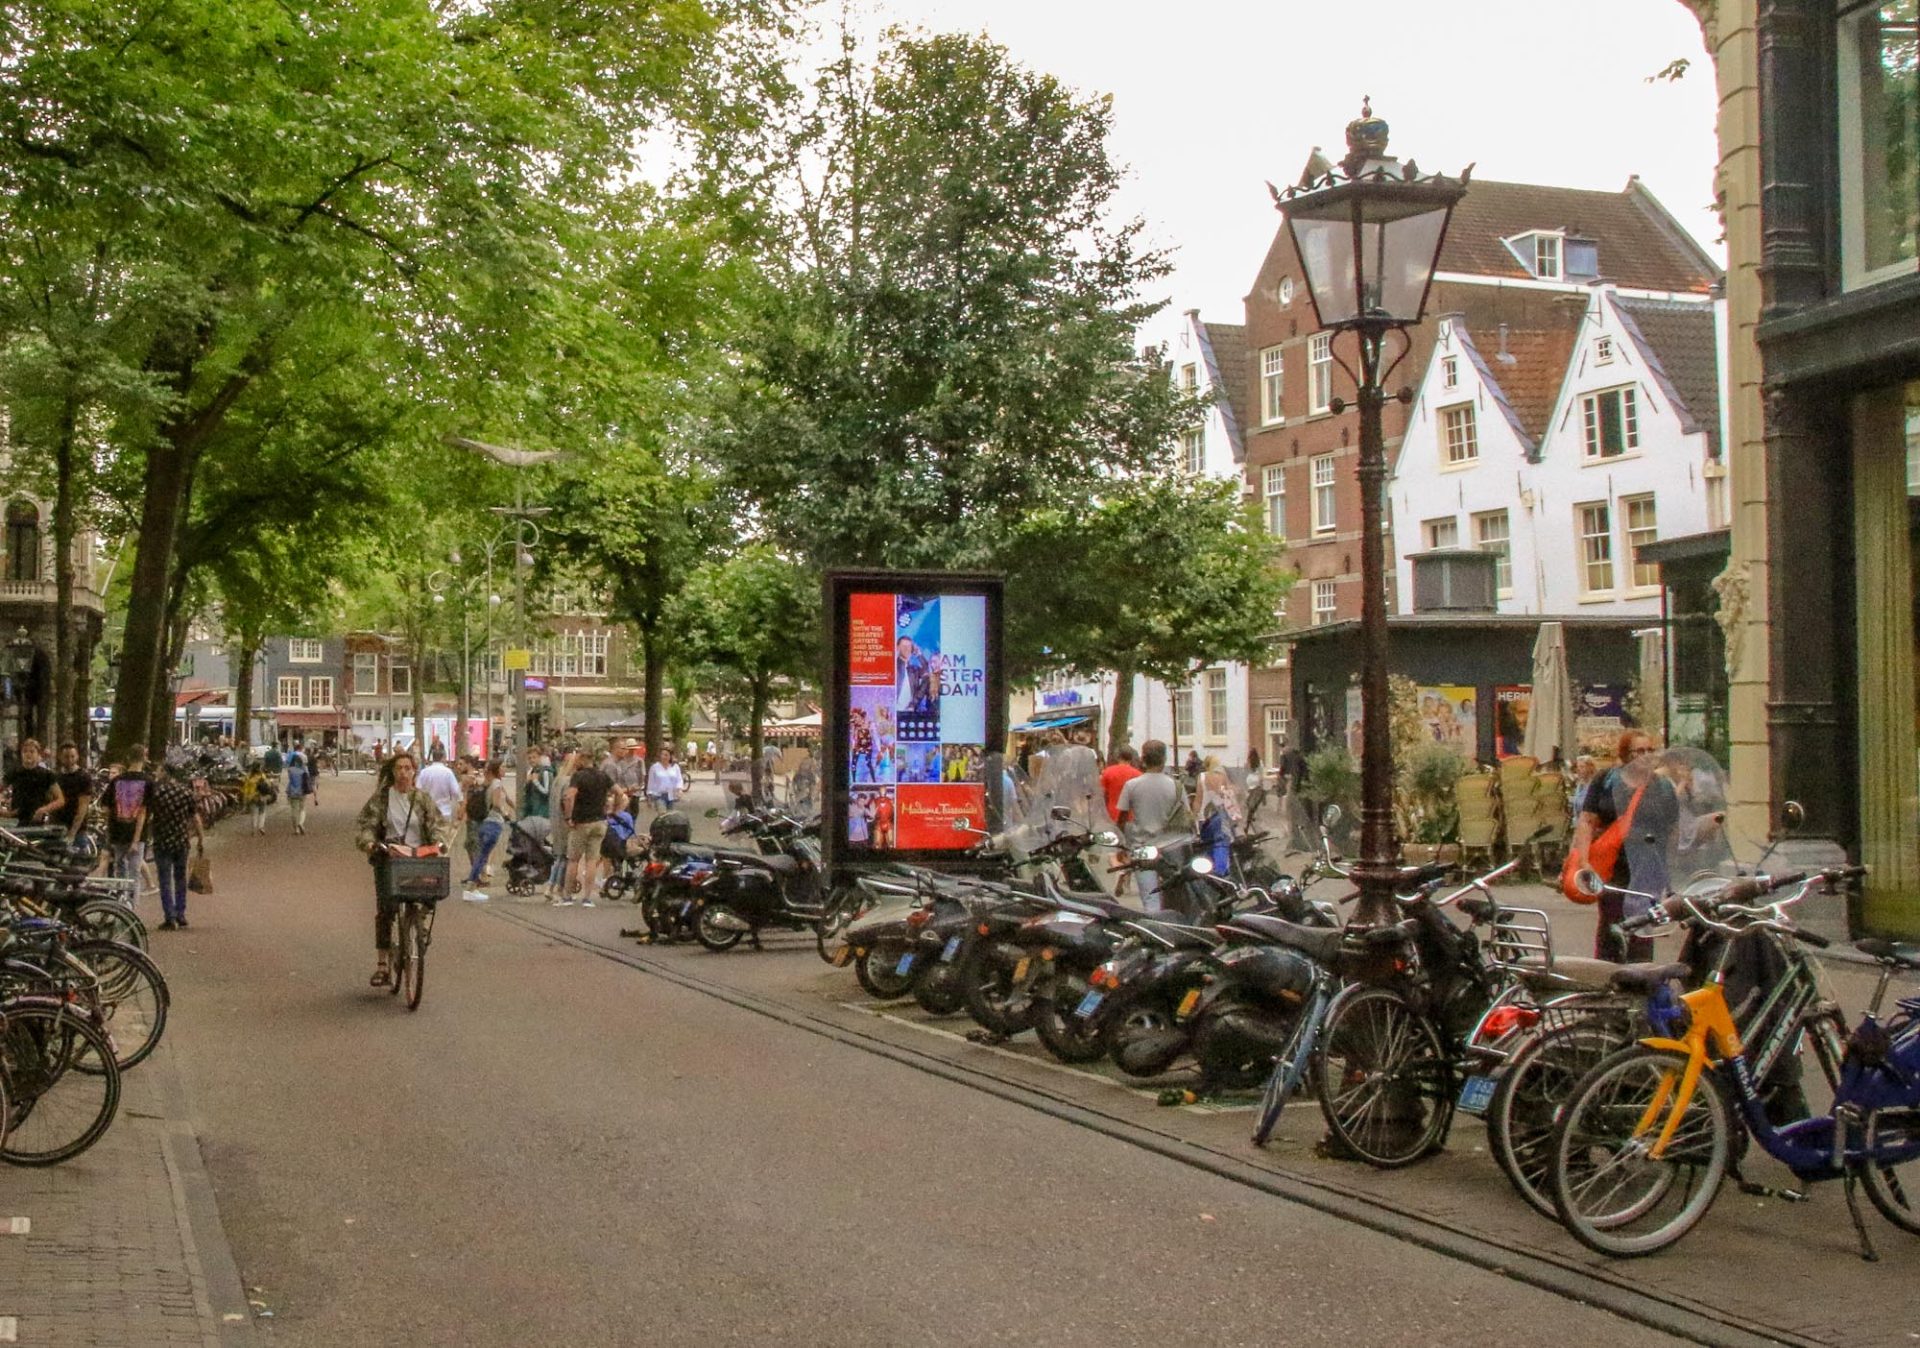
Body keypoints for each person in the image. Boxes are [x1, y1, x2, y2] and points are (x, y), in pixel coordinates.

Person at [1571, 729, 1681, 962]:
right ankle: (1608, 979)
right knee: (1611, 923)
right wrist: (1584, 860)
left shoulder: (1662, 787)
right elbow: (1587, 820)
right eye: (1639, 751)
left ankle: (1639, 984)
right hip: (1611, 867)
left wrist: (1669, 869)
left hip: (1646, 868)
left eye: (1650, 750)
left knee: (1642, 927)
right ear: (1625, 755)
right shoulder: (1606, 780)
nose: (1646, 755)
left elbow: (1673, 829)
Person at [353, 751, 450, 987]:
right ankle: (383, 966)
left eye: (408, 768)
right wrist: (369, 843)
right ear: (393, 772)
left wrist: (438, 842)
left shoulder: (422, 799)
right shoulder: (382, 799)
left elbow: (436, 825)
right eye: (399, 768)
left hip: (418, 856)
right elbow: (367, 824)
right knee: (386, 908)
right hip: (390, 855)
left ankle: (421, 924)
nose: (404, 773)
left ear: (414, 771)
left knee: (430, 890)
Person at [1115, 740, 1185, 912]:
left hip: (1142, 848)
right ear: (1164, 759)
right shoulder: (1176, 786)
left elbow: (1122, 820)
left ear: (1143, 759)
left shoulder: (1132, 786)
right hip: (1170, 847)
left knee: (1150, 898)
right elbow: (1185, 818)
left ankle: (1154, 929)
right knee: (1174, 897)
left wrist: (1121, 845)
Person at [146, 763, 203, 931]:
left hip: (162, 840)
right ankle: (181, 913)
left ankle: (169, 917)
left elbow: (148, 815)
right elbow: (195, 817)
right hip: (181, 840)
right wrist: (200, 838)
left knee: (164, 879)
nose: (156, 774)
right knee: (180, 878)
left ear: (164, 772)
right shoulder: (187, 792)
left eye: (158, 770)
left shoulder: (157, 792)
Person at [561, 750, 614, 907]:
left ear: (584, 759)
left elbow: (569, 796)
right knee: (592, 860)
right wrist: (614, 810)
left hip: (581, 822)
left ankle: (568, 896)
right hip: (600, 822)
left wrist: (568, 817)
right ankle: (587, 897)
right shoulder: (603, 776)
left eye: (578, 759)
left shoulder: (579, 776)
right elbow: (619, 793)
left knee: (573, 859)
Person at [461, 760, 514, 901]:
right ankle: (471, 887)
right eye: (502, 767)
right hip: (494, 823)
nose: (505, 769)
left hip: (484, 822)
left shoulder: (488, 783)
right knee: (482, 857)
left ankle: (472, 886)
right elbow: (497, 803)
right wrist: (506, 813)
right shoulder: (496, 784)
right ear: (496, 769)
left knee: (481, 856)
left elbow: (507, 799)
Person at [105, 746, 151, 882]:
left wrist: (109, 831)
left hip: (118, 832)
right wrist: (136, 840)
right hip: (137, 834)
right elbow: (143, 812)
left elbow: (107, 809)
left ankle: (121, 900)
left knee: (119, 869)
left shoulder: (116, 781)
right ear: (144, 758)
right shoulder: (148, 782)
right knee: (134, 873)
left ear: (128, 758)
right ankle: (132, 903)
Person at [1193, 754, 1240, 875]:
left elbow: (1198, 799)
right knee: (1221, 843)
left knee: (1207, 844)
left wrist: (1194, 816)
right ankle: (1222, 871)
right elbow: (1230, 794)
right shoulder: (1222, 777)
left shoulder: (1202, 777)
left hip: (1205, 816)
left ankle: (1210, 871)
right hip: (1221, 815)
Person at [417, 749, 463, 855]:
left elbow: (417, 790)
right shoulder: (448, 773)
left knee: (426, 843)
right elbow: (456, 792)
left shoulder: (424, 772)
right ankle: (439, 862)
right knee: (442, 844)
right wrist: (461, 806)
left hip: (426, 813)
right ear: (443, 758)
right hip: (444, 813)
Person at [545, 747, 575, 901]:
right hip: (564, 821)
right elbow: (567, 800)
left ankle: (550, 886)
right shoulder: (569, 781)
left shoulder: (557, 780)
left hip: (555, 820)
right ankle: (557, 887)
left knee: (558, 856)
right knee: (565, 856)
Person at [7, 738, 59, 827]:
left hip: (37, 820)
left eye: (32, 752)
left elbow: (60, 800)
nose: (28, 754)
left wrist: (44, 810)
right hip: (16, 820)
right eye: (25, 751)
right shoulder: (14, 772)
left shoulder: (47, 774)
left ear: (38, 754)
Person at [48, 743, 93, 842]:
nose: (70, 760)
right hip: (57, 827)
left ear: (77, 756)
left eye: (72, 756)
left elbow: (83, 808)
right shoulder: (56, 777)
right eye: (66, 757)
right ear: (60, 757)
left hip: (77, 831)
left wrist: (73, 832)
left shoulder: (83, 777)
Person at [1100, 745, 1142, 823]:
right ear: (1131, 757)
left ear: (1118, 756)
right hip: (1131, 816)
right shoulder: (1138, 775)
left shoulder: (1108, 772)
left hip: (1111, 814)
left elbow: (1101, 795)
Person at [645, 746, 685, 813]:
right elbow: (650, 783)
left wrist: (680, 789)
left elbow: (679, 780)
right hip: (659, 796)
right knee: (663, 816)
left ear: (670, 756)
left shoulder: (675, 767)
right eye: (662, 755)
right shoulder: (654, 767)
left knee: (671, 818)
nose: (663, 757)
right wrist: (649, 797)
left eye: (666, 755)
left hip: (671, 796)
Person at [242, 759, 273, 834]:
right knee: (262, 812)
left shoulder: (248, 776)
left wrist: (245, 798)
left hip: (252, 796)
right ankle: (261, 827)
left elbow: (245, 788)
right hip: (262, 796)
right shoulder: (262, 775)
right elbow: (268, 785)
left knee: (253, 814)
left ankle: (253, 829)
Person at [285, 745, 311, 835]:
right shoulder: (304, 770)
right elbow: (307, 778)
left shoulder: (290, 770)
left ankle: (295, 829)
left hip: (292, 791)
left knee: (294, 810)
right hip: (302, 791)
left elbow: (289, 779)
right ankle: (301, 823)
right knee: (302, 808)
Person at [524, 748, 553, 820]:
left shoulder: (545, 772)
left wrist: (536, 782)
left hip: (543, 812)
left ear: (540, 758)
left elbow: (547, 792)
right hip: (532, 810)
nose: (531, 760)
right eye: (529, 758)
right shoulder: (531, 772)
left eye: (534, 757)